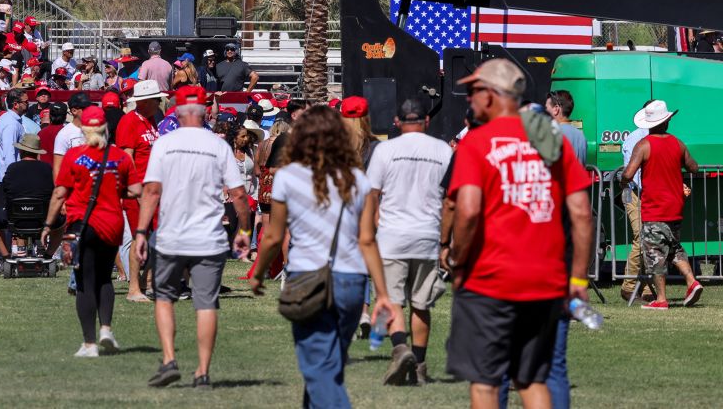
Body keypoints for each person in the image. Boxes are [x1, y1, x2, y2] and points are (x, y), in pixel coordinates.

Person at [444, 59, 593, 409]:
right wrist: (580, 279)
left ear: (494, 94)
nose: (469, 99)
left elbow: (466, 209)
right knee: (531, 379)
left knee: (484, 382)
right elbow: (582, 213)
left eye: (474, 91)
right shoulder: (551, 141)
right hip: (546, 280)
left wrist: (456, 259)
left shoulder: (477, 142)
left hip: (489, 280)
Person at [251, 105, 402, 409]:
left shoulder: (288, 177)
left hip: (307, 278)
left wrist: (258, 273)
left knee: (318, 370)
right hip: (351, 281)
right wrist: (383, 294)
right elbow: (368, 240)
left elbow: (273, 236)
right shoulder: (357, 179)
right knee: (328, 366)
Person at [135, 84, 250, 389]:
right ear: (204, 112)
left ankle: (170, 359)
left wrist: (141, 231)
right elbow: (239, 194)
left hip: (172, 235)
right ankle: (202, 371)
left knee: (164, 298)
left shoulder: (164, 143)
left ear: (177, 111)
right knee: (206, 304)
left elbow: (151, 190)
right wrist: (245, 230)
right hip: (209, 238)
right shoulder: (218, 145)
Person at [364, 98, 452, 385]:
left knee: (391, 301)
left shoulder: (385, 150)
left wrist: (371, 227)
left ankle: (400, 348)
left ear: (397, 122)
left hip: (392, 235)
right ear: (427, 121)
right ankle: (420, 364)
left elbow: (373, 194)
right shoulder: (443, 150)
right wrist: (446, 242)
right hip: (427, 234)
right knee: (421, 304)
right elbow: (451, 198)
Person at [45, 105, 137, 358]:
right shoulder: (120, 156)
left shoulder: (74, 156)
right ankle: (106, 329)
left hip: (83, 225)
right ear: (106, 128)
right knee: (105, 278)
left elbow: (60, 192)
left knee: (85, 282)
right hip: (113, 223)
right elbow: (135, 190)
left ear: (84, 129)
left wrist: (47, 224)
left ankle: (89, 343)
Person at [620, 99, 703, 309]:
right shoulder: (678, 143)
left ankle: (661, 299)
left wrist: (622, 181)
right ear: (667, 121)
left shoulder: (643, 145)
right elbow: (694, 168)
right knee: (674, 249)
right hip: (675, 206)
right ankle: (692, 281)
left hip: (654, 207)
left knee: (655, 254)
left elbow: (629, 174)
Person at [116, 79, 164, 303]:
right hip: (139, 192)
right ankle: (133, 288)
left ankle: (148, 281)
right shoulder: (129, 121)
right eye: (155, 99)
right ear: (144, 101)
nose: (159, 102)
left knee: (157, 238)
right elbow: (127, 159)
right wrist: (135, 189)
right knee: (139, 236)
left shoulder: (151, 120)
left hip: (153, 190)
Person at [619, 110, 651, 303]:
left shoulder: (647, 137)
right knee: (642, 238)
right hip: (636, 193)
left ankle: (646, 287)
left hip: (644, 193)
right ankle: (629, 286)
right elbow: (634, 173)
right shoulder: (636, 138)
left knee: (649, 240)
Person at [545, 90, 587, 166]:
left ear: (556, 109)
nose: (545, 111)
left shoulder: (552, 133)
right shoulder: (581, 135)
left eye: (546, 108)